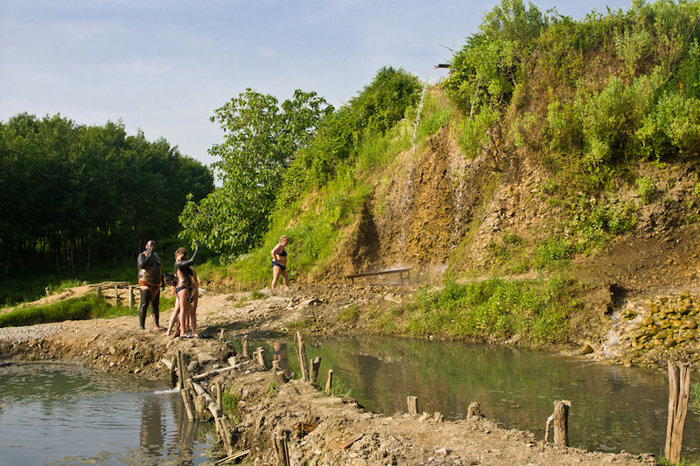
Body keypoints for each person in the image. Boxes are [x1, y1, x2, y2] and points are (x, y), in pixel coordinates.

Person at [137, 240, 165, 330]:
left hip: (156, 284)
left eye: (153, 245)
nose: (152, 246)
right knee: (144, 304)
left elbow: (160, 268)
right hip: (146, 283)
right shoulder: (142, 255)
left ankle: (156, 325)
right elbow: (142, 265)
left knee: (155, 305)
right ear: (146, 246)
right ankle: (142, 326)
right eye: (150, 245)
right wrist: (149, 255)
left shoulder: (156, 256)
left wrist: (162, 280)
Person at [174, 243, 199, 338]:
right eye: (182, 255)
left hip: (186, 289)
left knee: (187, 311)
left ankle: (186, 331)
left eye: (184, 255)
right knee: (182, 310)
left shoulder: (185, 267)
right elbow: (192, 260)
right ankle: (182, 331)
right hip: (182, 288)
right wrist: (197, 250)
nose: (183, 257)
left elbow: (195, 280)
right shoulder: (178, 263)